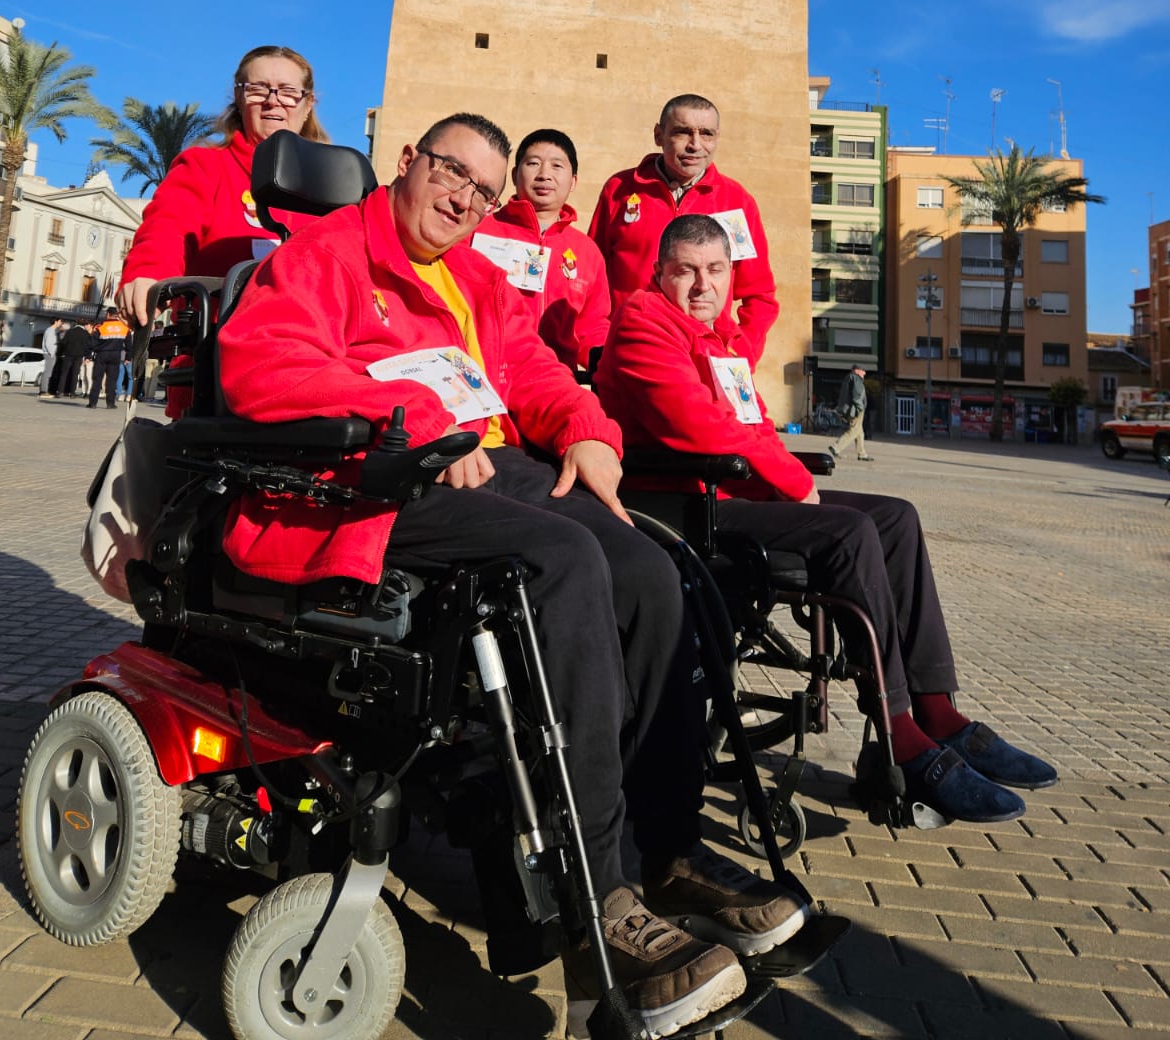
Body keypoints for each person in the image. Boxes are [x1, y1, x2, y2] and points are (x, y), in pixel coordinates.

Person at [218, 113, 809, 1038]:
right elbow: (261, 367)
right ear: (409, 162)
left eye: (483, 192)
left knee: (653, 569)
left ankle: (669, 848)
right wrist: (409, 416)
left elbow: (536, 372)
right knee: (564, 562)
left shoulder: (478, 279)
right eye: (452, 172)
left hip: (496, 465)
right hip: (383, 477)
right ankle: (599, 904)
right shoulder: (327, 254)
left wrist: (585, 431)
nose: (464, 199)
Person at [595, 214, 1058, 828]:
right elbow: (695, 425)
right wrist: (795, 484)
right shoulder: (642, 324)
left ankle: (937, 710)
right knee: (847, 530)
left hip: (732, 495)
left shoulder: (724, 340)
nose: (702, 285)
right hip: (682, 509)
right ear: (661, 273)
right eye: (685, 271)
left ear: (732, 276)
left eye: (715, 271)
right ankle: (900, 735)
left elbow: (753, 428)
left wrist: (787, 476)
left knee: (895, 518)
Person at [116, 44, 329, 330]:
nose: (272, 101)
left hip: (315, 353)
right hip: (214, 355)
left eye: (288, 92)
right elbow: (168, 229)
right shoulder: (205, 167)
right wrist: (148, 273)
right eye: (258, 89)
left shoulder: (332, 186)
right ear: (239, 98)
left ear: (308, 105)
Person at [589, 95, 778, 366]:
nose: (695, 145)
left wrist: (739, 355)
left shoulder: (737, 203)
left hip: (702, 361)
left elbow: (760, 296)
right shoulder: (619, 190)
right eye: (682, 132)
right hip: (627, 355)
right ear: (659, 135)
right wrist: (600, 345)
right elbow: (592, 278)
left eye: (707, 134)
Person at [471, 128, 610, 373]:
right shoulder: (477, 230)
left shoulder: (587, 251)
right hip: (486, 373)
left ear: (574, 181)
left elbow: (593, 326)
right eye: (533, 163)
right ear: (514, 175)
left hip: (556, 381)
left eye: (557, 166)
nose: (544, 175)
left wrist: (606, 362)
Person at [87, 307, 130, 410]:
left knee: (97, 379)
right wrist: (128, 357)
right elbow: (129, 344)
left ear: (108, 314)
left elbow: (92, 344)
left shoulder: (100, 326)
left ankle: (93, 403)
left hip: (102, 354)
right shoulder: (124, 327)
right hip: (116, 355)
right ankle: (110, 403)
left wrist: (93, 352)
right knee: (112, 380)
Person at [829, 364, 871, 462]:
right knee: (854, 431)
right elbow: (857, 396)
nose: (864, 373)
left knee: (860, 432)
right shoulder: (856, 379)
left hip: (851, 409)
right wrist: (860, 408)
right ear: (856, 370)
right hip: (856, 410)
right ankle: (836, 447)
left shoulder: (849, 378)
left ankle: (862, 454)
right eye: (863, 370)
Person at [54, 321, 94, 399]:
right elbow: (88, 346)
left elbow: (64, 342)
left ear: (76, 324)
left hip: (68, 355)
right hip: (79, 356)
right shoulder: (85, 333)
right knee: (75, 374)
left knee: (64, 374)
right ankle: (72, 393)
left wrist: (61, 353)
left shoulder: (70, 331)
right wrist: (87, 357)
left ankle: (60, 392)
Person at [38, 318, 65, 400]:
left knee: (48, 372)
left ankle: (44, 390)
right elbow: (49, 343)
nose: (61, 323)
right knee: (47, 372)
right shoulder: (50, 331)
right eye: (60, 321)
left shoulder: (52, 330)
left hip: (50, 354)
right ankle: (43, 391)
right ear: (56, 321)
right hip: (50, 354)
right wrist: (52, 353)